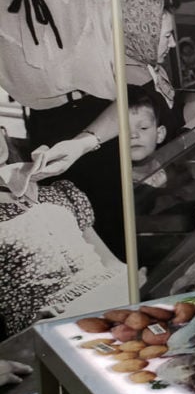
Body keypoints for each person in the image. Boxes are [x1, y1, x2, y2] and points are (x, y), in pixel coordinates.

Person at [0, 0, 125, 259]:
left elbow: (138, 94)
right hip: (42, 134)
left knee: (120, 252)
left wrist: (83, 143)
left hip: (111, 130)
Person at [0, 126, 127, 340]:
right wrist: (30, 326)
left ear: (3, 132)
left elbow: (110, 262)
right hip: (48, 324)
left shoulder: (58, 193)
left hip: (111, 297)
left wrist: (131, 280)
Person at [122, 0, 181, 134]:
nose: (173, 44)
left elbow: (173, 117)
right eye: (167, 36)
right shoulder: (132, 84)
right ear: (142, 36)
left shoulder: (153, 69)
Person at [127, 85, 168, 187]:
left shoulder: (169, 165)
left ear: (160, 134)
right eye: (124, 130)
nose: (133, 135)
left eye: (143, 127)